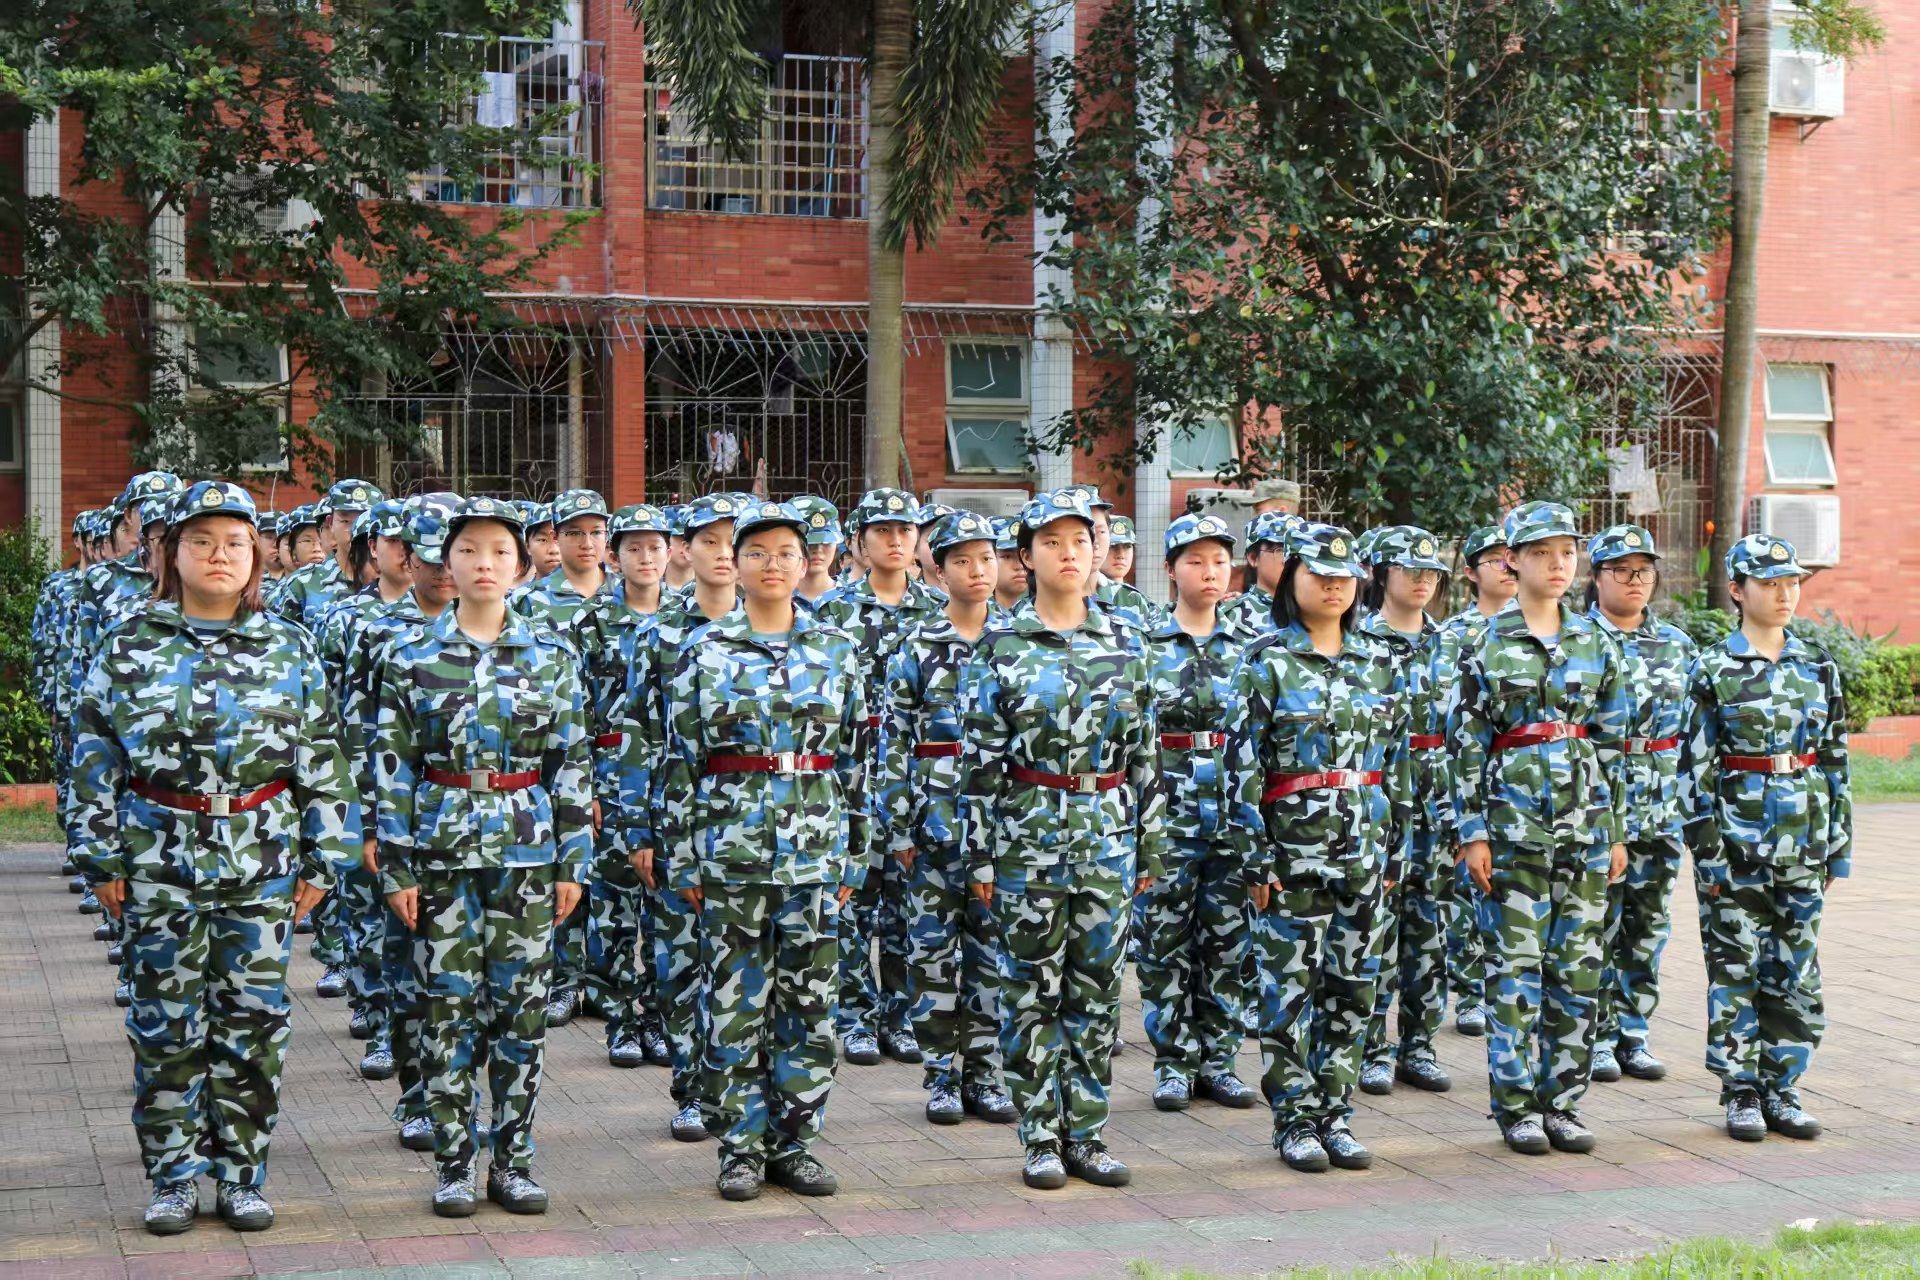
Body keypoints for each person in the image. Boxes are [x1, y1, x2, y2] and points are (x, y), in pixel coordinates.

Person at [68, 479, 358, 1235]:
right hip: (157, 858)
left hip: (260, 860)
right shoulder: (129, 643)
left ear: (257, 553)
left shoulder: (288, 645)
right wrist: (100, 861)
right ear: (172, 552)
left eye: (234, 542)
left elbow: (323, 759)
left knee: (253, 1024)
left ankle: (241, 1174)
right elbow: (93, 758)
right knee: (165, 1026)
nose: (219, 555)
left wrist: (323, 859)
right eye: (201, 541)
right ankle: (172, 1177)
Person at [372, 495, 592, 1217]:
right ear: (446, 561)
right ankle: (454, 1163)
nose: (484, 563)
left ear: (521, 563)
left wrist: (573, 861)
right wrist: (397, 865)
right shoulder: (409, 655)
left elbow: (570, 764)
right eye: (468, 550)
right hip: (440, 852)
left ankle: (514, 1161)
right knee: (446, 1011)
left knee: (521, 1014)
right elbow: (392, 767)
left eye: (500, 550)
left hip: (526, 853)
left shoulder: (552, 655)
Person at [656, 500, 867, 1201]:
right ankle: (740, 1148)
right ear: (734, 565)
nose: (773, 565)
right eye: (757, 553)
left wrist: (855, 852)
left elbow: (857, 760)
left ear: (807, 562)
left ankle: (794, 1144)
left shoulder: (836, 648)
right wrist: (683, 857)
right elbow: (680, 763)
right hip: (730, 853)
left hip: (815, 853)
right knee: (734, 1005)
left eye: (786, 553)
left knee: (809, 1005)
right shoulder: (704, 651)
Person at [959, 487, 1164, 1191]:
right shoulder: (1002, 647)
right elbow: (980, 763)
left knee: (1097, 995)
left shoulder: (1127, 642)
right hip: (1027, 840)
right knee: (1030, 994)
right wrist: (980, 854)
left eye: (1081, 540)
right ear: (1026, 556)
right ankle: (1041, 1136)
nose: (1069, 553)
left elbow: (1145, 757)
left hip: (1107, 837)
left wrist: (1149, 846)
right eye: (1051, 542)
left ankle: (1088, 1133)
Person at [1447, 501, 1630, 1157]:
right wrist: (1472, 832)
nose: (1558, 564)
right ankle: (1518, 1108)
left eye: (1567, 553)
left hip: (1584, 832)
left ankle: (1563, 1105)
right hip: (1512, 832)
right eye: (1542, 553)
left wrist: (1616, 829)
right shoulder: (1484, 644)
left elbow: (1613, 743)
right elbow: (1464, 745)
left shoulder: (1595, 642)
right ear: (1512, 562)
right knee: (1515, 974)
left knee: (1579, 974)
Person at [1225, 521, 1405, 1173]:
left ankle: (1336, 1114)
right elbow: (1239, 767)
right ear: (1291, 582)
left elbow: (1398, 764)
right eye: (1318, 575)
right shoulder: (1267, 661)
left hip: (1364, 853)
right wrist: (1254, 856)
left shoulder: (1381, 661)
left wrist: (1397, 850)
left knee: (1354, 989)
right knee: (1290, 992)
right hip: (1290, 856)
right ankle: (1295, 1120)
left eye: (1343, 577)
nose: (1333, 586)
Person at [1680, 533, 1848, 1143]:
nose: (1784, 594)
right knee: (1735, 968)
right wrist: (1707, 851)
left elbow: (1835, 757)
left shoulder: (1816, 665)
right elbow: (1692, 769)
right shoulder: (1712, 668)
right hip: (1736, 844)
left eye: (1791, 582)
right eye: (1770, 583)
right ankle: (1741, 1092)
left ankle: (1784, 1086)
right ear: (1737, 590)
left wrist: (1839, 845)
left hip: (1804, 841)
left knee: (1795, 969)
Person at [876, 511, 1019, 1127]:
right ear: (939, 571)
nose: (977, 570)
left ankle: (985, 1073)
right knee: (932, 951)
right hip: (932, 819)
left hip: (1004, 822)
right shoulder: (915, 645)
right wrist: (898, 825)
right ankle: (941, 1075)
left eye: (986, 558)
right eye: (962, 560)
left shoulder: (1018, 641)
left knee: (993, 950)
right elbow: (893, 741)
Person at [620, 492, 747, 1142]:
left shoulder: (789, 631)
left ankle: (749, 1093)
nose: (723, 554)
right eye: (709, 541)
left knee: (751, 966)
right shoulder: (659, 634)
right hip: (678, 824)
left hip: (756, 829)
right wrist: (639, 828)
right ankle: (693, 1088)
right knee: (680, 961)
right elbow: (637, 737)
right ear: (683, 550)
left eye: (734, 541)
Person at [344, 492, 463, 1154]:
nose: (443, 571)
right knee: (408, 965)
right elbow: (356, 732)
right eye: (431, 558)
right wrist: (367, 825)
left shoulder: (504, 629)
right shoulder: (376, 632)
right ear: (406, 560)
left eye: (453, 557)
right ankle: (417, 1098)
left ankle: (463, 1100)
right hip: (401, 822)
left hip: (478, 828)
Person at [814, 489, 945, 1066]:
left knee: (907, 904)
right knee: (851, 903)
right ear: (859, 543)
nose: (895, 541)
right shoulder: (831, 613)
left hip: (915, 775)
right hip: (852, 775)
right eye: (882, 531)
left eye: (906, 530)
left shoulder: (937, 611)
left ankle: (901, 1014)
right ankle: (855, 1016)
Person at [1139, 514, 1259, 1113]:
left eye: (1219, 561)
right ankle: (1172, 1063)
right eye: (1195, 561)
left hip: (1234, 813)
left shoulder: (1252, 647)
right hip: (1169, 812)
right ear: (1170, 570)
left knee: (1228, 941)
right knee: (1164, 941)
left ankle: (1220, 1061)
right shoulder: (1146, 646)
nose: (1210, 572)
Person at [1583, 525, 1696, 1086]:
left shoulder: (1677, 644)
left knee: (1648, 925)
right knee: (1596, 924)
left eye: (1644, 571)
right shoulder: (1578, 641)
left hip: (1661, 804)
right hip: (1599, 803)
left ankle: (1633, 1033)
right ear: (1597, 576)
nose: (1635, 580)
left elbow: (1695, 730)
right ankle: (1596, 1036)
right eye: (1622, 570)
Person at [313, 497, 414, 1061]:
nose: (406, 551)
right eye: (394, 540)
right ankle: (378, 1021)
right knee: (369, 912)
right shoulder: (347, 619)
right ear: (373, 547)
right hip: (364, 783)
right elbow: (328, 714)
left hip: (430, 795)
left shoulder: (457, 618)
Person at [1356, 526, 1456, 1098]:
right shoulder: (1360, 644)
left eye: (1431, 571)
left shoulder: (1452, 645)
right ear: (1380, 574)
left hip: (1439, 801)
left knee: (1431, 929)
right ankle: (1372, 1048)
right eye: (1409, 569)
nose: (1422, 581)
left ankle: (1419, 1045)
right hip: (1380, 803)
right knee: (1377, 927)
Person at [571, 502, 672, 1068]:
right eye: (633, 548)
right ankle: (620, 1021)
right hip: (610, 778)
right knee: (613, 909)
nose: (645, 558)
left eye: (655, 547)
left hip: (670, 778)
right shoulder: (591, 623)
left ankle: (658, 1017)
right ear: (614, 556)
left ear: (671, 552)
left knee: (667, 911)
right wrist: (584, 786)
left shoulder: (686, 621)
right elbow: (576, 711)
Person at [511, 487, 614, 1027]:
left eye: (596, 532)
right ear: (555, 537)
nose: (586, 543)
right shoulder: (529, 604)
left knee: (614, 883)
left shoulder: (626, 597)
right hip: (561, 754)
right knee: (565, 870)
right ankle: (563, 980)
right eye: (574, 533)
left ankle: (606, 984)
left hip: (620, 756)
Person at [1435, 523, 1517, 1036]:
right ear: (1470, 573)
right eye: (1494, 560)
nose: (1507, 568)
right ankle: (1469, 991)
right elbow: (1446, 719)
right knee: (1464, 890)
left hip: (1521, 785)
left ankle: (1508, 991)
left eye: (1512, 558)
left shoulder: (1540, 629)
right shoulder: (1452, 637)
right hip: (1467, 775)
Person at [275, 479, 382, 630]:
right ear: (331, 523)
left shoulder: (394, 582)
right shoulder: (302, 585)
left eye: (364, 521)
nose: (354, 530)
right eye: (345, 521)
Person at [1221, 512, 1298, 634]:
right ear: (1253, 558)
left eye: (1297, 552)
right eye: (1281, 550)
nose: (1291, 559)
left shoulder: (1318, 611)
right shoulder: (1231, 617)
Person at [791, 496, 845, 602]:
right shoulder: (774, 599)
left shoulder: (857, 600)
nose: (818, 549)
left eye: (826, 542)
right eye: (809, 542)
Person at [991, 516, 1028, 612]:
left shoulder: (1048, 611)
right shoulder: (975, 613)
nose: (1020, 566)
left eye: (1026, 556)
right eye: (1007, 557)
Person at [523, 502, 564, 581]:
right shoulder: (519, 590)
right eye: (543, 540)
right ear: (527, 547)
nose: (554, 550)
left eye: (558, 539)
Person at [1103, 515, 1137, 584]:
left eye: (1127, 546)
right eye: (1112, 546)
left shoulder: (1132, 592)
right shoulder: (1083, 590)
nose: (1121, 555)